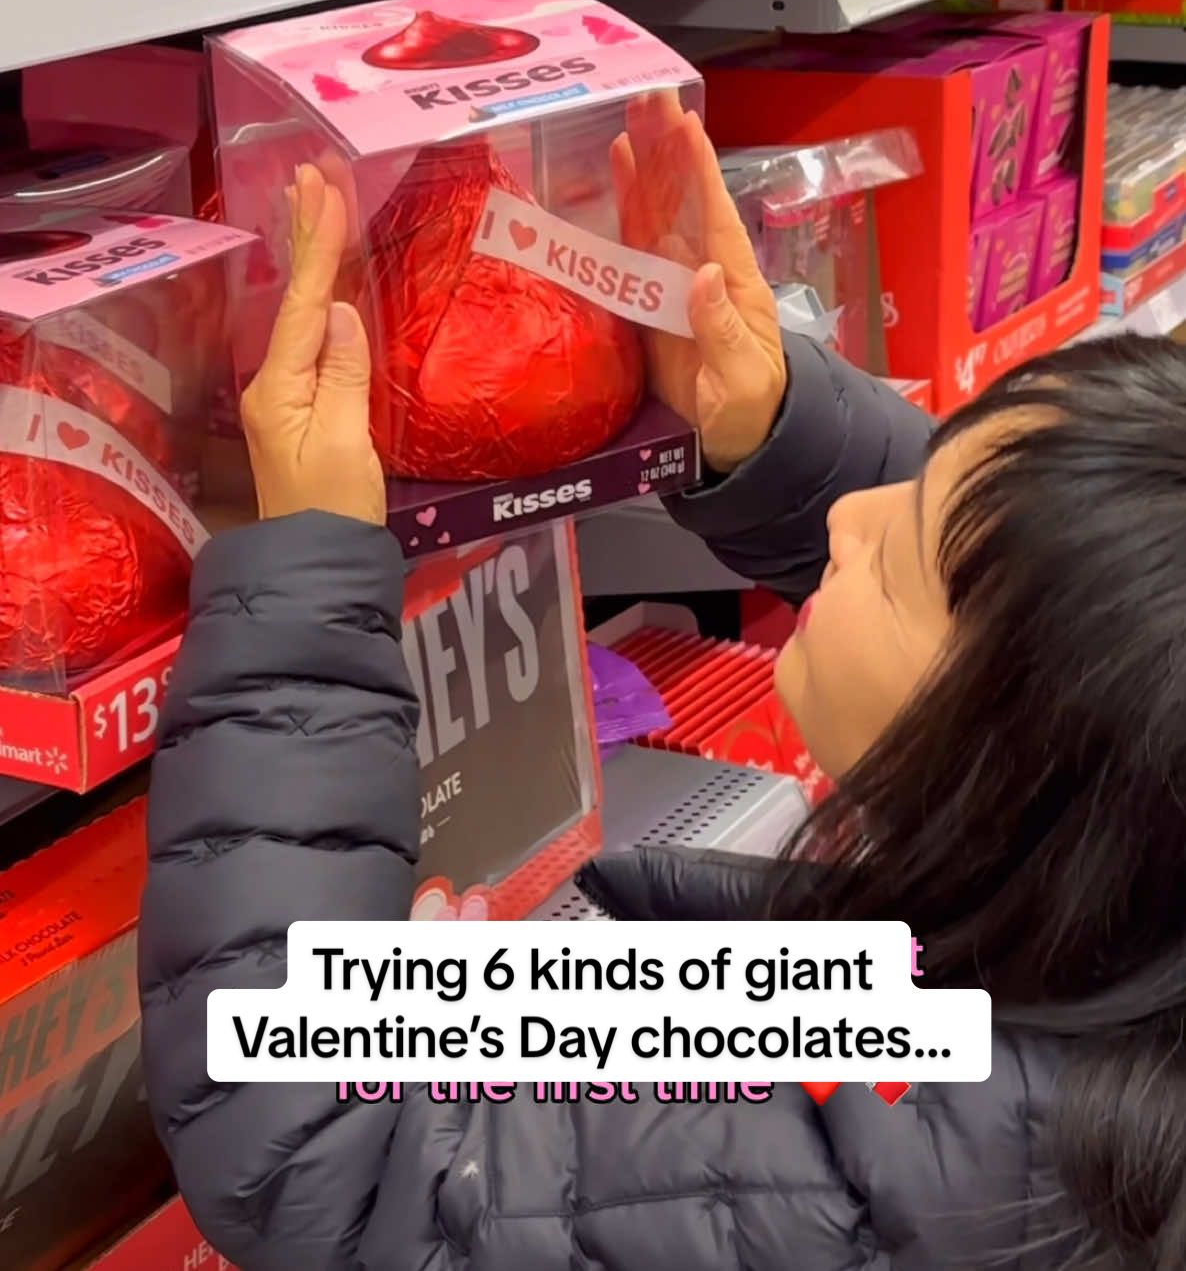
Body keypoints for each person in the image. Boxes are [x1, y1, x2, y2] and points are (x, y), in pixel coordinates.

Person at [140, 114, 1186, 1271]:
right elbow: (1067, 607)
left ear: (1005, 774)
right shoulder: (1122, 942)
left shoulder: (865, 1202)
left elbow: (318, 1153)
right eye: (914, 478)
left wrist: (304, 567)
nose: (848, 521)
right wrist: (780, 433)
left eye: (889, 568)